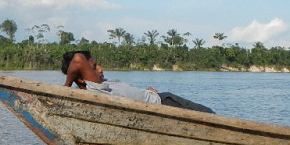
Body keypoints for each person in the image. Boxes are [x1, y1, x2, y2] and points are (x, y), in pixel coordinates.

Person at [61, 51, 215, 113]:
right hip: (165, 105)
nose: (100, 69)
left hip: (163, 99)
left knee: (209, 115)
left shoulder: (101, 86)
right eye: (94, 66)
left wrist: (144, 92)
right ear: (81, 78)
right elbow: (78, 59)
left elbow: (122, 93)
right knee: (209, 116)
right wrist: (66, 88)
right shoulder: (95, 89)